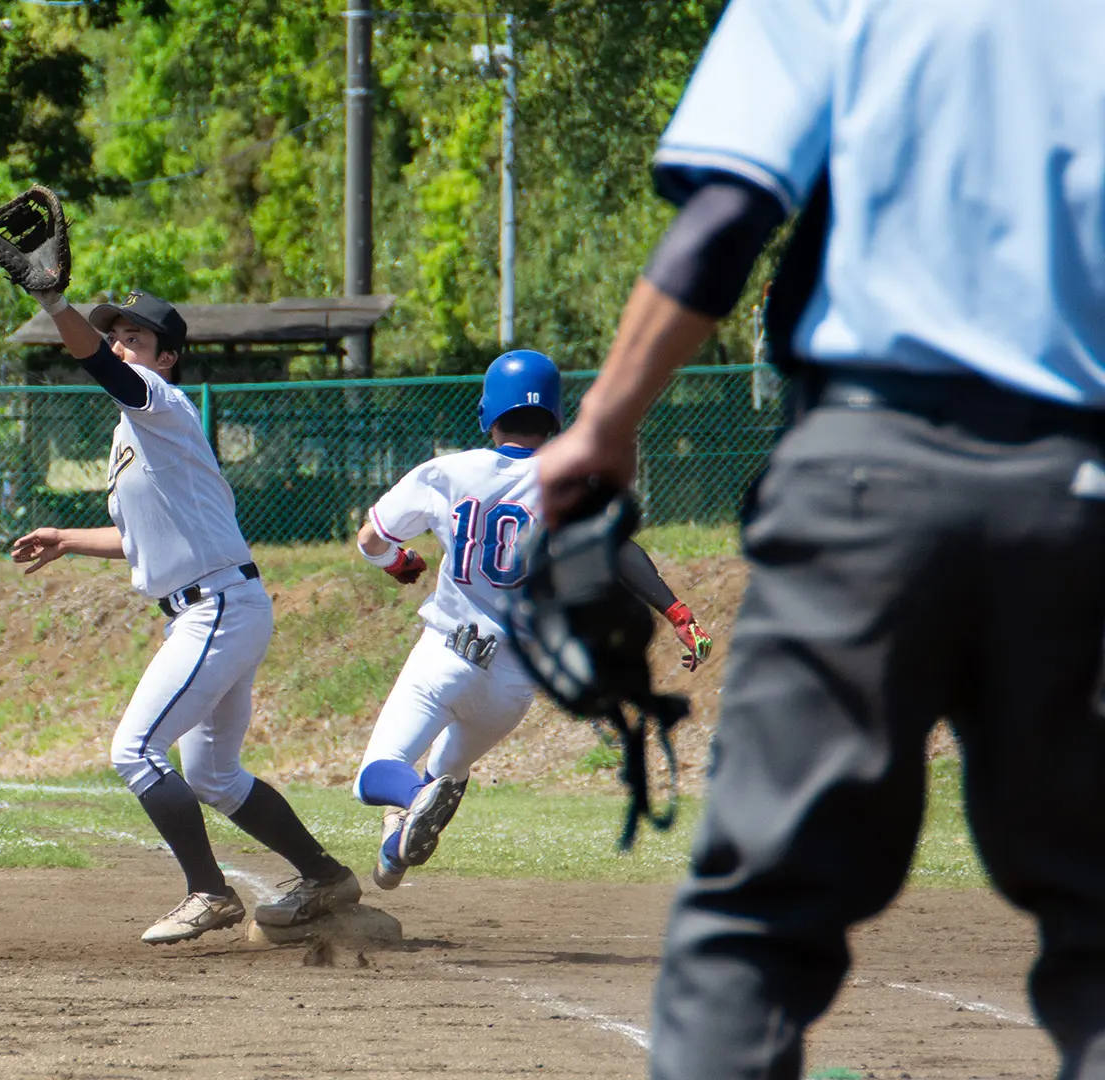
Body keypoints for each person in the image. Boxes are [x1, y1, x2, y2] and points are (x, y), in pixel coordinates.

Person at [531, 2, 1105, 1076]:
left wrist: (605, 423)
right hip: (1081, 493)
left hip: (866, 476)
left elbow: (728, 216)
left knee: (753, 928)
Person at [9, 287, 361, 945]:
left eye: (134, 339)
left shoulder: (158, 400)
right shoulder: (137, 436)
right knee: (211, 774)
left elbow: (102, 368)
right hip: (217, 605)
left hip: (216, 609)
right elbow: (146, 536)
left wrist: (57, 305)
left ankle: (209, 891)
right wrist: (65, 537)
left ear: (166, 358)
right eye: (115, 335)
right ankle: (326, 877)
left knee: (135, 752)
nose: (120, 346)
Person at [352, 350, 710, 891]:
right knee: (448, 773)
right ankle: (395, 848)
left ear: (486, 413)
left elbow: (371, 539)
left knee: (378, 770)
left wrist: (396, 563)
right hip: (515, 682)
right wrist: (677, 612)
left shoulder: (448, 471)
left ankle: (410, 803)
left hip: (449, 651)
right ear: (555, 418)